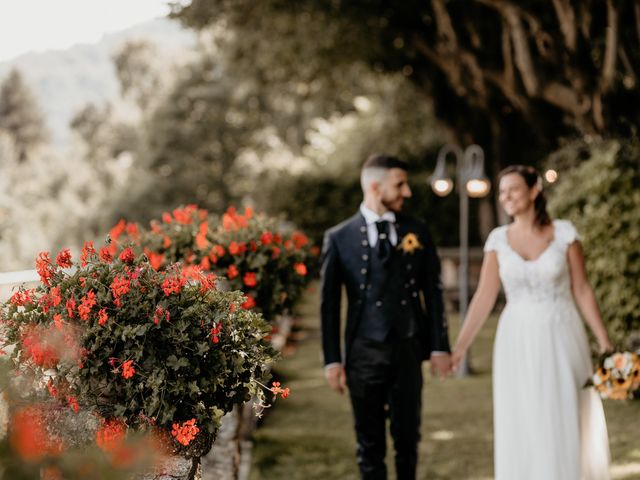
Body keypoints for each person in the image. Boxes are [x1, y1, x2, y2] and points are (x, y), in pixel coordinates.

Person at [451, 165, 613, 479]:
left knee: (563, 409)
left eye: (513, 189)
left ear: (534, 190)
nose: (505, 197)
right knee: (522, 414)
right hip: (516, 337)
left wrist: (604, 341)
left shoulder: (565, 233)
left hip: (560, 331)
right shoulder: (498, 240)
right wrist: (460, 347)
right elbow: (485, 296)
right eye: (501, 192)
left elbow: (581, 289)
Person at [320, 154, 451, 480]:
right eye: (399, 184)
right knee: (369, 445)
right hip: (363, 355)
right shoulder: (339, 237)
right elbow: (329, 305)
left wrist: (439, 346)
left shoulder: (417, 230)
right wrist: (332, 360)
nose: (406, 192)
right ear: (376, 186)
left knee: (408, 441)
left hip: (407, 350)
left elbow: (433, 293)